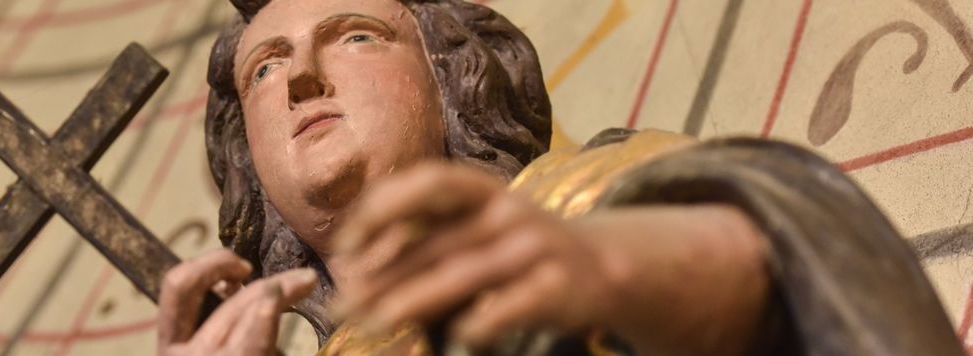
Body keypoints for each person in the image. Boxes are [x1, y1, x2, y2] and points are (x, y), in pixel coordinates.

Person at [157, 0, 964, 355]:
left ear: (451, 79)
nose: (300, 78)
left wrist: (635, 269)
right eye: (264, 70)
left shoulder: (604, 194)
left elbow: (793, 256)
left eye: (356, 38)